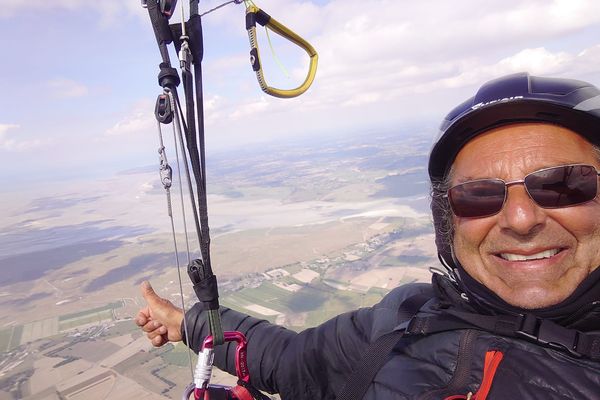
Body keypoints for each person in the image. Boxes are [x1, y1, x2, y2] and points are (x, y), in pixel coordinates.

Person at [136, 72, 600, 399]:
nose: (520, 219)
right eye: (478, 195)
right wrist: (189, 325)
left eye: (563, 185)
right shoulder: (406, 315)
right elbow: (293, 360)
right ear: (448, 221)